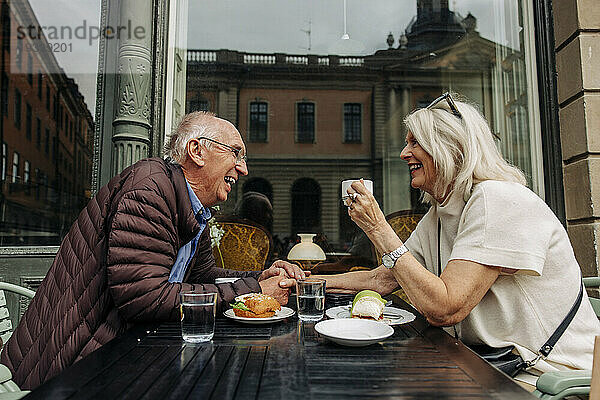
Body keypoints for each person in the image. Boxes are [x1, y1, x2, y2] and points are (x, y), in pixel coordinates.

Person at [1, 111, 307, 389]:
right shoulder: (150, 189)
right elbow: (144, 297)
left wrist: (259, 277)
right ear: (196, 151)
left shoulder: (190, 206)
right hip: (74, 365)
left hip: (121, 350)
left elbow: (205, 275)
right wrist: (253, 291)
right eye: (236, 153)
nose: (243, 168)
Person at [319, 93, 600, 384]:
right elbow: (383, 279)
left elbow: (445, 309)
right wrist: (305, 282)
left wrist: (378, 228)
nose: (404, 153)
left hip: (549, 376)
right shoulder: (441, 214)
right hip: (485, 365)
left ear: (450, 148)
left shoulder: (498, 199)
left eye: (415, 143)